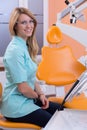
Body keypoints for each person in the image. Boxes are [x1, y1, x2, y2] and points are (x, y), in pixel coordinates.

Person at [1, 7, 63, 128]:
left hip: (27, 100)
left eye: (31, 21)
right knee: (56, 124)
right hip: (16, 106)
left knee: (63, 111)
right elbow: (24, 88)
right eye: (24, 22)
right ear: (15, 26)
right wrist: (38, 97)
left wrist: (41, 94)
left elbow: (30, 78)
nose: (29, 25)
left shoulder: (24, 46)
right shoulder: (15, 50)